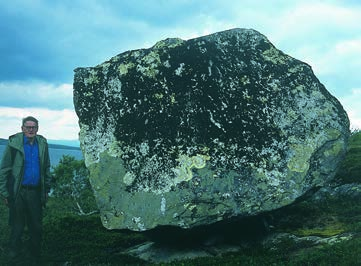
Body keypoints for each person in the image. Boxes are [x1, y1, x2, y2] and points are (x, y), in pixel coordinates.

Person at [0, 116, 51, 264]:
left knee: (36, 226)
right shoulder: (14, 144)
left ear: (37, 129)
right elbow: (4, 169)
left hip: (35, 191)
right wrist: (4, 192)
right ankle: (14, 255)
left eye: (33, 127)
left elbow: (46, 167)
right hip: (18, 192)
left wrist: (46, 188)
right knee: (17, 226)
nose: (30, 130)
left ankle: (34, 256)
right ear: (22, 128)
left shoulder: (42, 144)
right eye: (28, 127)